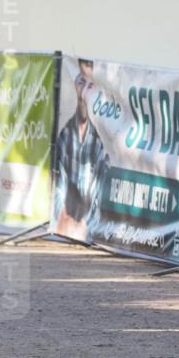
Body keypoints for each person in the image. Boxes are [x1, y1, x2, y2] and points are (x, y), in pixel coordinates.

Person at [54, 59, 109, 241]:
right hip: (65, 229)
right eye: (81, 83)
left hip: (86, 232)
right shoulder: (65, 136)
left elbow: (98, 206)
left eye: (91, 86)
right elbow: (58, 193)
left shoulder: (102, 144)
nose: (84, 92)